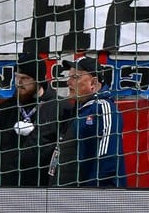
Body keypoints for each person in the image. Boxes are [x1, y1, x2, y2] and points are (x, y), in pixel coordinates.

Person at [51, 58, 126, 188]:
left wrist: (90, 194)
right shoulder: (78, 110)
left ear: (94, 83)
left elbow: (108, 158)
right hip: (67, 195)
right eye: (69, 77)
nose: (69, 82)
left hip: (92, 199)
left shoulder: (104, 108)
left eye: (75, 77)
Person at [0, 60, 57, 187]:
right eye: (17, 76)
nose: (19, 82)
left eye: (25, 78)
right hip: (6, 183)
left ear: (39, 80)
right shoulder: (5, 108)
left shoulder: (58, 107)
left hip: (42, 186)